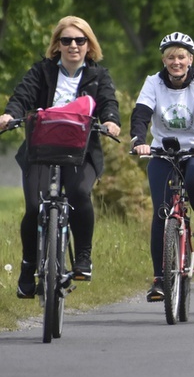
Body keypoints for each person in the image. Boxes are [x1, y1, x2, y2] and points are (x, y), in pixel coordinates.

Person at [1, 16, 121, 297]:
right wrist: (10, 114)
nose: (73, 46)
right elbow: (23, 96)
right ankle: (28, 266)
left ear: (89, 45)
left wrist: (111, 120)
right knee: (34, 207)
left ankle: (82, 258)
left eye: (80, 40)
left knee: (79, 192)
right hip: (40, 149)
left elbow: (108, 102)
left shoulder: (98, 75)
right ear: (57, 45)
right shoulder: (41, 71)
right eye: (66, 40)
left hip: (81, 151)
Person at [131, 32, 194, 301]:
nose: (176, 62)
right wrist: (138, 140)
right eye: (171, 57)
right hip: (163, 153)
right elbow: (141, 114)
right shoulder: (153, 82)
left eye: (181, 57)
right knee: (161, 212)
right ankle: (159, 278)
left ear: (190, 59)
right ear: (164, 60)